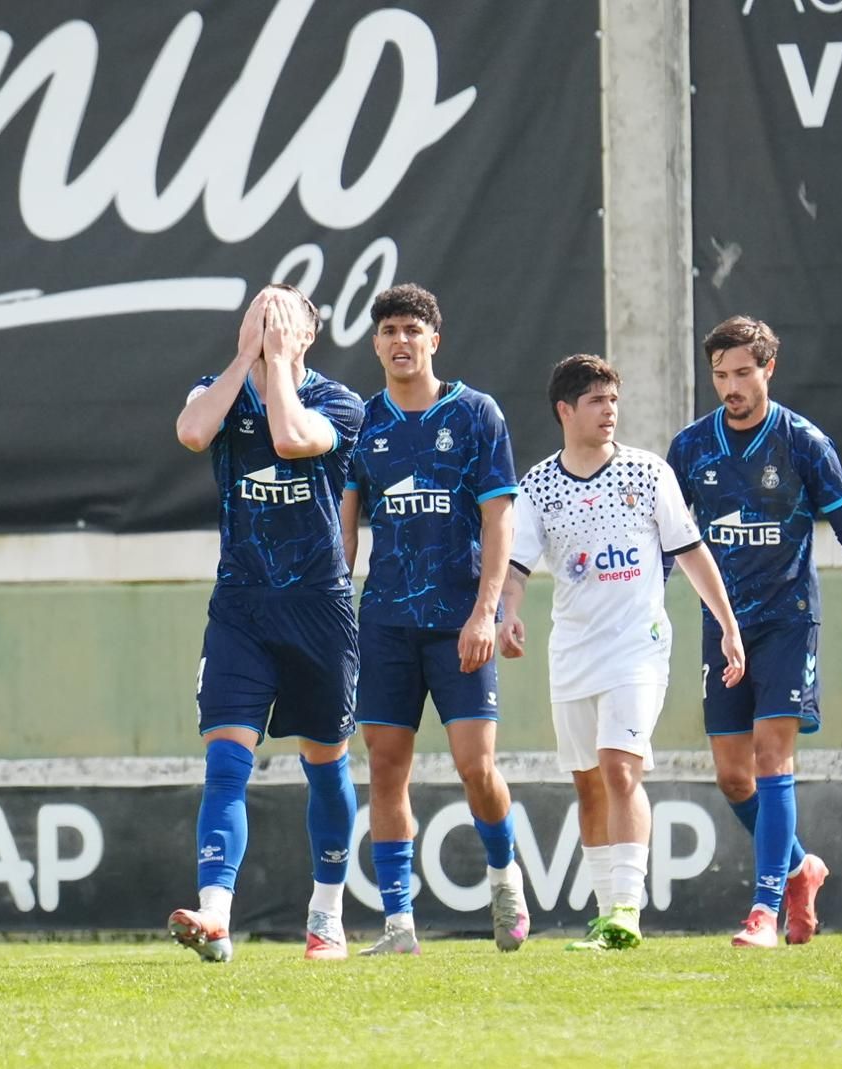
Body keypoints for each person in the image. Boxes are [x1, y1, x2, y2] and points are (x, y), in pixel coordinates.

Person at [666, 316, 842, 949]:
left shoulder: (803, 443)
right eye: (721, 375)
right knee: (732, 775)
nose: (731, 387)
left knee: (772, 755)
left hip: (788, 621)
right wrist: (646, 611)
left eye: (743, 372)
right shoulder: (691, 447)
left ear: (769, 368)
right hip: (722, 627)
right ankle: (800, 870)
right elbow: (669, 539)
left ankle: (763, 911)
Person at [497, 354, 745, 952]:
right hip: (573, 652)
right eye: (596, 401)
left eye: (614, 400)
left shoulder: (648, 472)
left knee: (619, 767)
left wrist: (728, 625)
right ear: (565, 410)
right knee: (588, 783)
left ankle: (627, 912)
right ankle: (607, 913)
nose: (610, 411)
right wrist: (508, 614)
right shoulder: (539, 485)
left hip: (639, 647)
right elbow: (515, 567)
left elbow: (691, 551)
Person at [167, 284, 364, 963]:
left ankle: (326, 915)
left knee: (326, 766)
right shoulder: (215, 390)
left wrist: (278, 362)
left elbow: (290, 436)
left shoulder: (339, 403)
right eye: (256, 311)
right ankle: (215, 915)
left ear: (307, 333)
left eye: (279, 315)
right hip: (241, 606)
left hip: (318, 609)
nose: (264, 321)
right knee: (226, 761)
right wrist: (243, 361)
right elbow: (193, 432)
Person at [339, 284, 530, 955]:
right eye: (390, 330)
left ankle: (505, 881)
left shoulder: (476, 414)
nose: (401, 341)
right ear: (375, 344)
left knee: (476, 765)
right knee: (386, 768)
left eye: (412, 330)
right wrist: (335, 612)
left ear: (434, 340)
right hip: (386, 622)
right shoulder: (362, 424)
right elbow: (347, 531)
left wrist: (487, 612)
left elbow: (500, 520)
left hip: (458, 622)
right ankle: (399, 925)